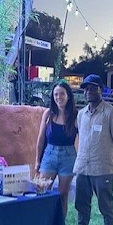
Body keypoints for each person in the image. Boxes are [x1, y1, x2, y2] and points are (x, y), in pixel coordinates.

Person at [70, 74, 113, 225]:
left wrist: (111, 160)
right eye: (86, 88)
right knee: (81, 205)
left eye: (93, 88)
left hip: (102, 168)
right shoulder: (81, 114)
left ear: (101, 90)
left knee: (106, 208)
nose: (88, 92)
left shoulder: (111, 113)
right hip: (83, 167)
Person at [35, 81, 77, 217]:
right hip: (49, 154)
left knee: (62, 194)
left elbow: (81, 140)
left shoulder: (76, 116)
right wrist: (37, 160)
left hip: (68, 156)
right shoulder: (48, 114)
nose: (59, 97)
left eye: (62, 94)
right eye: (56, 94)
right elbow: (41, 138)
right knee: (42, 190)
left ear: (68, 96)